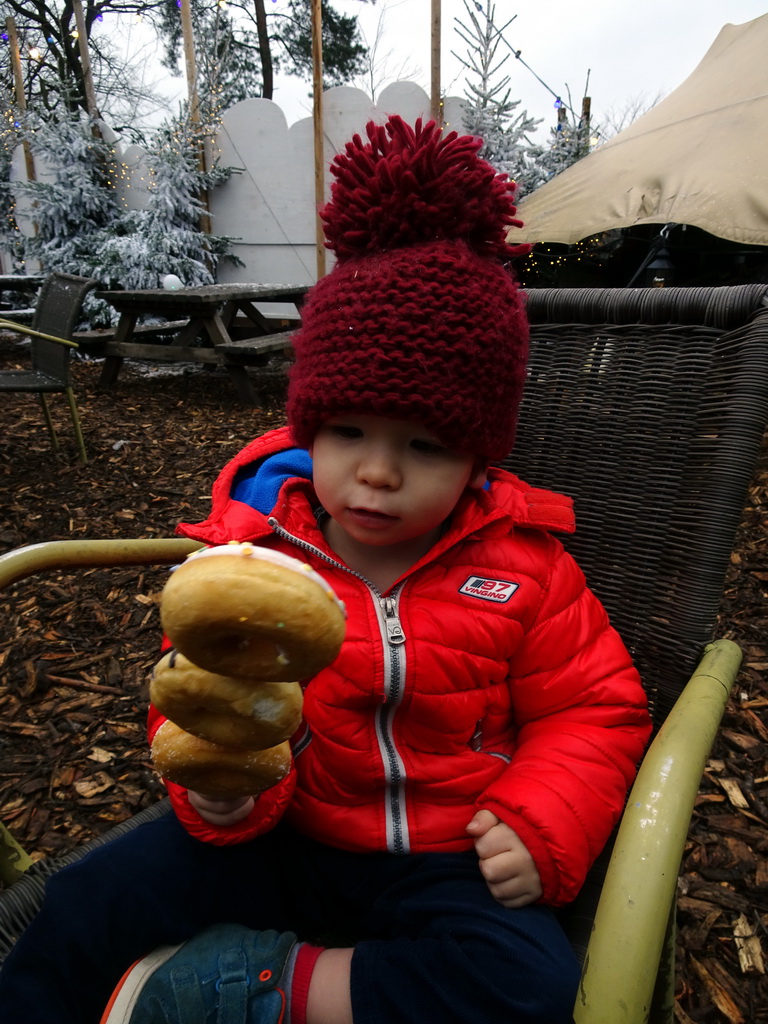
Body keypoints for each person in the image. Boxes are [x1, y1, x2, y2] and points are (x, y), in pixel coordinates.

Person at [0, 116, 652, 1024]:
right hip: (285, 832)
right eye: (348, 433)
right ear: (311, 428)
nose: (378, 472)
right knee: (82, 908)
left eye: (423, 446)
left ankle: (260, 989)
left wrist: (542, 814)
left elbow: (596, 706)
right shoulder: (258, 558)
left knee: (523, 982)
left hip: (448, 857)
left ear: (479, 460)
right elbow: (198, 693)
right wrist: (219, 789)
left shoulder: (523, 569)